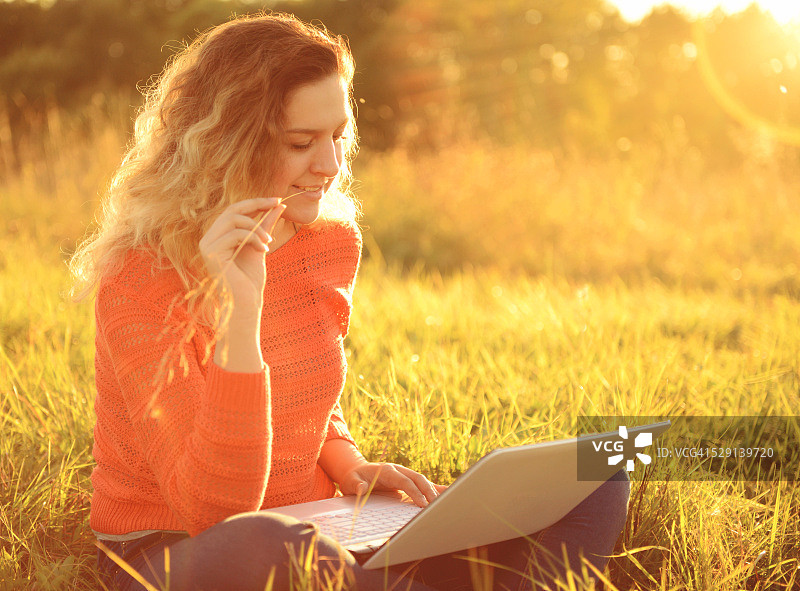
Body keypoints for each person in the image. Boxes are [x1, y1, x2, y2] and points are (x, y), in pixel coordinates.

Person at [70, 12, 629, 591]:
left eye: (337, 135)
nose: (331, 165)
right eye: (300, 143)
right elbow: (215, 513)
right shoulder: (141, 274)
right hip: (179, 551)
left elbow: (310, 397)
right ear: (225, 144)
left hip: (325, 529)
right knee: (272, 546)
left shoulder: (327, 243)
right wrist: (241, 313)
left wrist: (349, 465)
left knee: (598, 474)